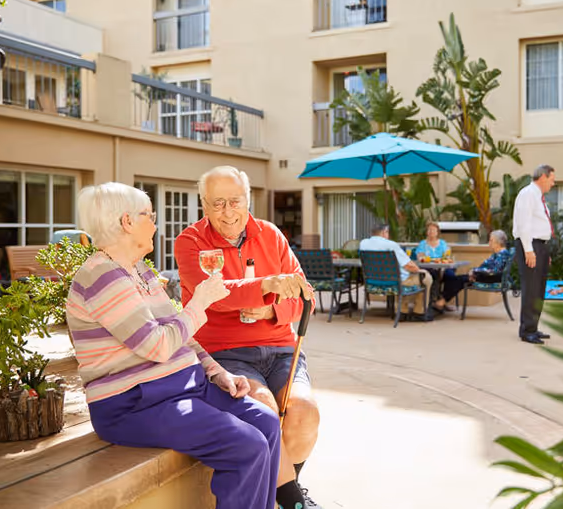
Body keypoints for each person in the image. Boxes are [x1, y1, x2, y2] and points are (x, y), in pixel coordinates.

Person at [66, 182, 310, 509]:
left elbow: (183, 339)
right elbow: (158, 346)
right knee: (247, 445)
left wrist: (217, 372)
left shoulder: (140, 271)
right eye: (149, 216)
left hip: (180, 389)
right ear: (127, 222)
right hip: (132, 403)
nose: (155, 224)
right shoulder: (101, 276)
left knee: (265, 422)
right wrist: (201, 302)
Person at [174, 166, 321, 509]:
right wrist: (266, 286)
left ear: (248, 200)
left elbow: (305, 297)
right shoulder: (191, 241)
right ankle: (293, 501)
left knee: (305, 413)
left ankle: (282, 490)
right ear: (204, 205)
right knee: (265, 410)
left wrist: (272, 312)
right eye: (218, 203)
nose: (228, 212)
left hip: (281, 348)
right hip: (227, 352)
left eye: (235, 201)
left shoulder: (271, 235)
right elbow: (213, 294)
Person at [512, 164, 556, 345]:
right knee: (531, 288)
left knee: (539, 288)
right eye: (552, 180)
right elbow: (524, 224)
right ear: (543, 177)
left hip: (540, 245)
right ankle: (527, 330)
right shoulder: (528, 194)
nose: (553, 184)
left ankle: (533, 326)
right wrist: (529, 250)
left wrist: (543, 250)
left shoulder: (538, 196)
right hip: (530, 244)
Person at [359, 223, 434, 322]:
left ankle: (402, 312)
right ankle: (419, 312)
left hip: (373, 284)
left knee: (402, 277)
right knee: (425, 277)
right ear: (384, 232)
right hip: (395, 283)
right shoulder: (391, 244)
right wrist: (417, 269)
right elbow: (409, 266)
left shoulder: (363, 243)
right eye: (387, 232)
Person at [431, 229, 512, 313]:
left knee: (458, 280)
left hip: (491, 278)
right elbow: (488, 268)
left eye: (491, 240)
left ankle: (441, 302)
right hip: (485, 276)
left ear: (498, 242)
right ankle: (442, 301)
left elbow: (493, 271)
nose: (489, 242)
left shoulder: (502, 254)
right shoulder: (498, 253)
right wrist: (475, 272)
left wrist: (475, 272)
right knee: (453, 278)